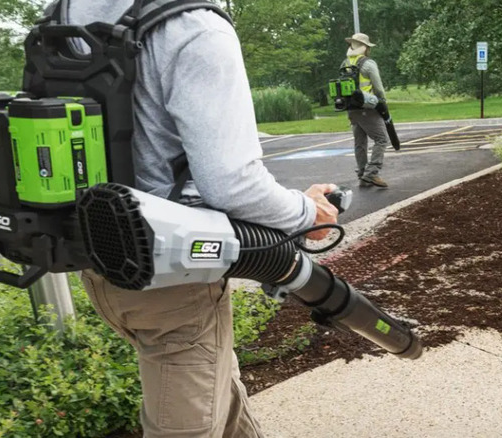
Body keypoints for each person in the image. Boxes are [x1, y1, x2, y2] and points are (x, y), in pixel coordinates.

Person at [66, 1, 339, 437]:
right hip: (170, 277)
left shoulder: (67, 9)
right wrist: (310, 213)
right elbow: (232, 183)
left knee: (219, 392)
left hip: (96, 258)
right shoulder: (193, 25)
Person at [342, 33, 391, 188]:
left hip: (351, 108)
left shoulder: (345, 63)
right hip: (368, 108)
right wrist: (383, 103)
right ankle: (371, 173)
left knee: (360, 143)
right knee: (382, 139)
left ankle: (363, 174)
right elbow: (378, 88)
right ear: (365, 48)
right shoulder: (368, 64)